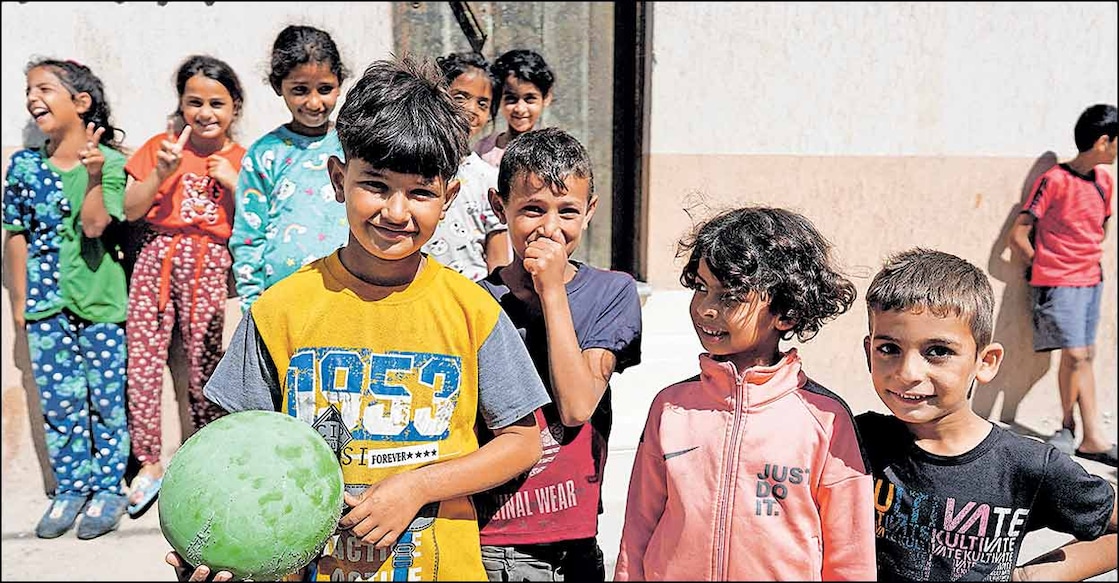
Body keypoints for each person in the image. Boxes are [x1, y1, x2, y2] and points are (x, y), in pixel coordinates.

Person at [170, 56, 550, 582]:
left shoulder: (472, 309)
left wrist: (417, 486)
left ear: (449, 198)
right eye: (375, 184)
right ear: (338, 178)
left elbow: (522, 441)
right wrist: (211, 545)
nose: (396, 212)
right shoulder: (281, 310)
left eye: (420, 192)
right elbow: (237, 449)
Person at [614, 206, 875, 581]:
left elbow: (851, 557)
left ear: (785, 313)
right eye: (701, 288)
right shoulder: (671, 408)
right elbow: (638, 527)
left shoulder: (824, 420)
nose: (706, 308)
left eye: (730, 295)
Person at [856, 248, 1117, 581]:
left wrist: (1029, 577)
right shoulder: (860, 440)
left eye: (938, 351)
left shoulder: (1027, 465)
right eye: (889, 348)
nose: (908, 372)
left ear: (986, 361)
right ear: (869, 352)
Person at [473, 127, 642, 581]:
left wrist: (551, 292)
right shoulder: (474, 303)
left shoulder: (613, 292)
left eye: (567, 211)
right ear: (498, 207)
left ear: (589, 212)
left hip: (575, 544)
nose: (550, 228)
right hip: (493, 544)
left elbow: (577, 406)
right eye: (532, 209)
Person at [3, 58, 131, 539]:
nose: (33, 97)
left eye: (45, 88)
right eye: (28, 90)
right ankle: (70, 489)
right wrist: (19, 299)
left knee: (105, 399)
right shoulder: (24, 166)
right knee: (59, 403)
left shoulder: (111, 163)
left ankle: (109, 488)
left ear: (81, 103)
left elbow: (96, 225)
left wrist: (95, 175)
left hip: (98, 304)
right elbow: (14, 232)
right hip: (44, 305)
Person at [121, 54, 247, 517]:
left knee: (204, 365)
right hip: (157, 256)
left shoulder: (241, 159)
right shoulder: (161, 147)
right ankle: (149, 463)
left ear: (235, 107)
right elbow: (130, 210)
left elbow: (253, 223)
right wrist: (161, 172)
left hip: (209, 263)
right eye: (195, 101)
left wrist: (234, 184)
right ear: (181, 105)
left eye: (217, 102)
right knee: (145, 360)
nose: (205, 112)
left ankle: (203, 459)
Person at [1008, 103, 1117, 466]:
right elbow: (1019, 234)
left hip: (1091, 280)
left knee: (1084, 356)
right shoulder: (1053, 180)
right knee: (1076, 355)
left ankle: (1078, 432)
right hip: (1058, 281)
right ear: (1104, 141)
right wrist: (1042, 265)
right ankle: (1083, 433)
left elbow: (1101, 227)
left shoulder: (1104, 182)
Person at [230, 25, 350, 312]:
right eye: (299, 90)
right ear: (277, 86)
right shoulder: (265, 154)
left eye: (325, 89)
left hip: (348, 293)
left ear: (340, 82)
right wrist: (252, 306)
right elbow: (248, 236)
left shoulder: (352, 146)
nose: (314, 102)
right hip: (282, 301)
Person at [423, 51, 509, 281]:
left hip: (473, 294)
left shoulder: (489, 178)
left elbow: (498, 257)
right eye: (460, 97)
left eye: (483, 104)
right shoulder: (415, 168)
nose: (471, 110)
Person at [473, 49, 554, 167]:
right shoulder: (484, 150)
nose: (520, 109)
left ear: (546, 98)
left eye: (529, 99)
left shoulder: (553, 151)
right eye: (511, 99)